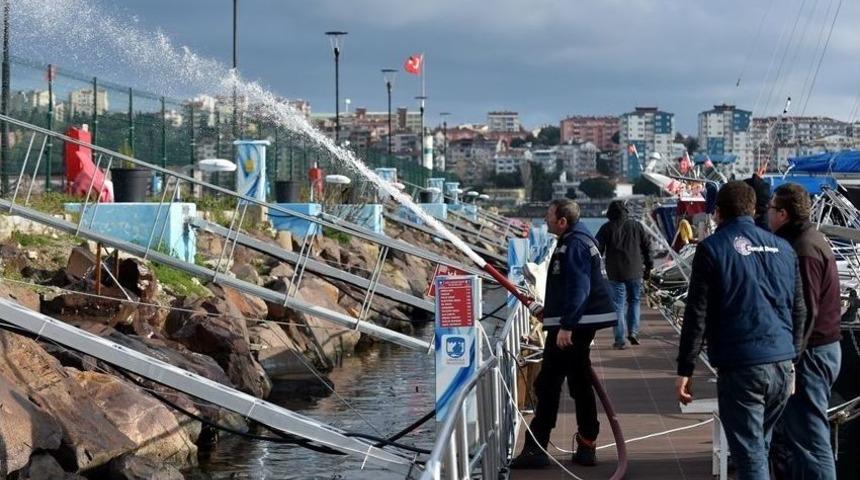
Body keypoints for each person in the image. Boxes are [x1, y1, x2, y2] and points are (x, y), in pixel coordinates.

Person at [675, 181, 806, 480]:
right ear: (754, 209)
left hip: (743, 365)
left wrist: (685, 368)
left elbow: (697, 313)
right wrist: (792, 359)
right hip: (781, 363)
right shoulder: (783, 248)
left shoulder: (712, 249)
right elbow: (799, 309)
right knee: (761, 444)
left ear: (718, 213)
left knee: (750, 455)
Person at [511, 199, 618, 469]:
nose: (544, 220)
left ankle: (538, 449)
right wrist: (552, 313)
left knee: (548, 384)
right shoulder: (574, 240)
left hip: (574, 327)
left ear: (562, 221)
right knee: (577, 382)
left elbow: (580, 289)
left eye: (548, 216)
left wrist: (567, 326)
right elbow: (569, 286)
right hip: (573, 323)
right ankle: (585, 445)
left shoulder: (575, 244)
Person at [767, 183, 842, 479]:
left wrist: (791, 359)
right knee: (800, 436)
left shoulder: (803, 249)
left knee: (811, 439)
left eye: (771, 209)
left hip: (811, 353)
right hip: (820, 348)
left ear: (783, 214)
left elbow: (806, 308)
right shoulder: (811, 239)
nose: (767, 214)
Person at [596, 200, 653, 349]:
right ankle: (633, 332)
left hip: (615, 271)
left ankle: (620, 339)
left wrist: (594, 269)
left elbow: (597, 250)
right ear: (626, 211)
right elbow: (647, 247)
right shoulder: (636, 226)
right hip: (634, 270)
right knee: (634, 300)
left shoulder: (606, 228)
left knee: (618, 305)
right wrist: (649, 266)